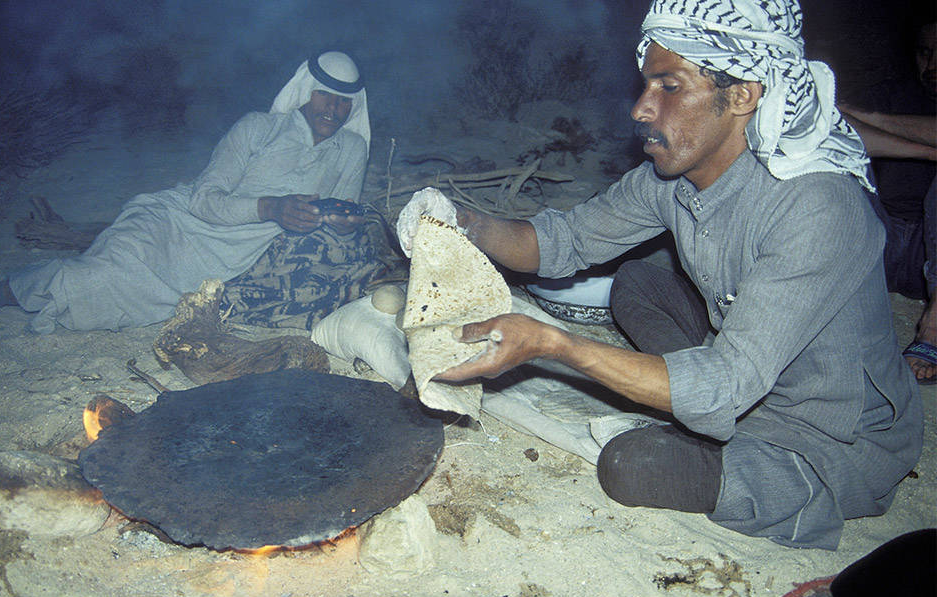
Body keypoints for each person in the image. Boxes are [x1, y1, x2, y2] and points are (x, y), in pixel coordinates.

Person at [397, 0, 922, 550]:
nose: (641, 109)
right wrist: (461, 221)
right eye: (647, 85)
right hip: (742, 364)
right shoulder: (674, 176)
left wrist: (556, 346)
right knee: (640, 284)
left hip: (826, 432)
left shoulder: (819, 207)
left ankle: (726, 439)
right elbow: (562, 241)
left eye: (669, 86)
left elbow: (728, 380)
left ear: (742, 95)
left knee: (633, 467)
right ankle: (687, 399)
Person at [0, 50, 382, 333]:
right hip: (176, 226)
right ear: (306, 91)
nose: (335, 109)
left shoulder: (351, 149)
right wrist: (272, 208)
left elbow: (343, 218)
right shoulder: (258, 127)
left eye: (346, 102)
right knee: (97, 277)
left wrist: (342, 225)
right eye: (327, 96)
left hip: (241, 257)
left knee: (130, 300)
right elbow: (203, 200)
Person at [839, 16, 936, 384]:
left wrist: (874, 119)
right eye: (925, 53)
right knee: (828, 156)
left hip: (929, 262)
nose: (932, 66)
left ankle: (933, 326)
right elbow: (840, 126)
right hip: (883, 240)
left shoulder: (881, 107)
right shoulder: (894, 92)